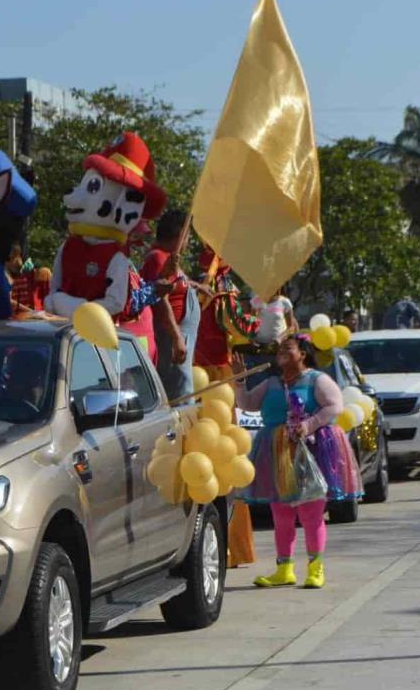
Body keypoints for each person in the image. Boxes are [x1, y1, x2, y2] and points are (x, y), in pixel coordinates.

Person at [233, 334, 363, 589]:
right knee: (281, 513)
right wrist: (239, 381)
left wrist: (309, 424)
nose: (281, 352)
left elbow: (335, 407)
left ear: (303, 353)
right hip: (277, 453)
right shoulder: (271, 383)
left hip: (310, 452)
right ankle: (284, 569)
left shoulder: (317, 380)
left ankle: (316, 569)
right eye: (279, 349)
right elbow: (247, 403)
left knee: (310, 513)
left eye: (288, 348)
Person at [194, 249, 256, 567]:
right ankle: (231, 548)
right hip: (218, 377)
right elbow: (242, 327)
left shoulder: (190, 281)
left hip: (193, 376)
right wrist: (273, 323)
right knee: (226, 458)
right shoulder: (221, 287)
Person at [140, 210, 199, 401]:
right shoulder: (158, 258)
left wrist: (198, 286)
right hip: (171, 337)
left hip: (181, 337)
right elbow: (161, 299)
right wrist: (177, 338)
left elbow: (178, 285)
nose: (189, 240)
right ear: (178, 234)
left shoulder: (170, 258)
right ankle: (180, 431)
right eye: (187, 234)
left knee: (183, 386)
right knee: (179, 392)